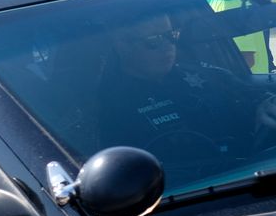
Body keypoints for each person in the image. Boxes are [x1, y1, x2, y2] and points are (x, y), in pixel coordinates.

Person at [97, 13, 276, 168]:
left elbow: (249, 93)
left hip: (255, 167)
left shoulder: (202, 73)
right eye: (154, 41)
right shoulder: (115, 107)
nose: (168, 46)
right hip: (194, 192)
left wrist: (262, 108)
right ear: (123, 46)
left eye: (171, 36)